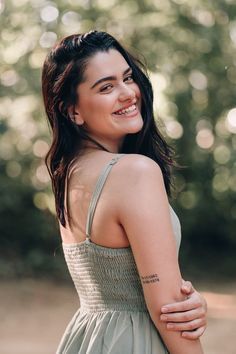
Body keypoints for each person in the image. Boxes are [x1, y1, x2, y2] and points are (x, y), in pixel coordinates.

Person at [42, 30, 207, 354]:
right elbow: (168, 309)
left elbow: (116, 283)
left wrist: (190, 299)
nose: (128, 93)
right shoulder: (135, 173)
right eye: (106, 87)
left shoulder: (70, 173)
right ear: (73, 110)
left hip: (89, 339)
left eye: (127, 78)